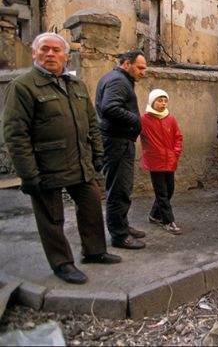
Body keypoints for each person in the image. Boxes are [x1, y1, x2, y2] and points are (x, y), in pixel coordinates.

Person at [2, 32, 121, 284]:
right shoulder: (23, 86)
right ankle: (62, 263)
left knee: (90, 205)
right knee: (51, 218)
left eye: (56, 50)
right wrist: (28, 174)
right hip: (45, 166)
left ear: (66, 56)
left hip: (79, 161)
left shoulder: (75, 85)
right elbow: (15, 134)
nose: (50, 54)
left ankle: (94, 251)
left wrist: (98, 154)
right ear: (35, 53)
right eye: (44, 49)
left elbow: (91, 121)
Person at [95, 50, 147, 249]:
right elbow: (110, 108)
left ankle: (123, 226)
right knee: (118, 190)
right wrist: (136, 120)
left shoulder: (117, 78)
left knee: (123, 188)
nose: (143, 72)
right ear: (127, 64)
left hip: (119, 141)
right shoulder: (118, 81)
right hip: (116, 142)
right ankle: (119, 235)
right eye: (140, 68)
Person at [140, 89, 183, 235]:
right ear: (152, 101)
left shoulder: (170, 118)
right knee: (162, 193)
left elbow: (178, 136)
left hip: (169, 160)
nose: (163, 103)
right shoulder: (144, 119)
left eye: (165, 100)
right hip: (155, 161)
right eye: (160, 100)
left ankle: (154, 215)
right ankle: (168, 221)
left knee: (169, 190)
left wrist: (176, 152)